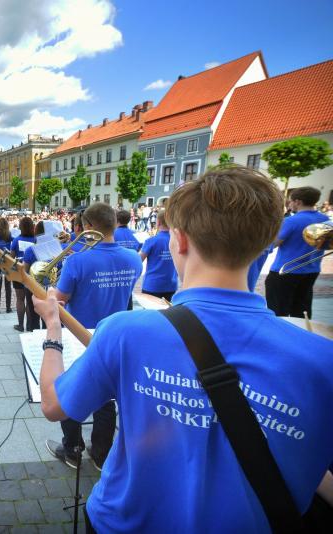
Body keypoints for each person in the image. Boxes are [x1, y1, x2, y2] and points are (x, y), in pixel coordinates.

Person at [35, 167, 333, 532]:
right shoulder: (323, 361)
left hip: (126, 522)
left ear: (180, 240)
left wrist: (53, 327)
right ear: (266, 241)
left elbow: (53, 404)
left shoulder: (124, 333)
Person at [45, 202, 142, 470]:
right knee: (106, 400)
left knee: (72, 393)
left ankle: (72, 449)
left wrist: (52, 290)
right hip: (114, 336)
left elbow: (60, 301)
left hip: (79, 336)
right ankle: (101, 454)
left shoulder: (77, 260)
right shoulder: (133, 258)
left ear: (87, 226)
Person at [265, 186, 329, 318]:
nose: (289, 204)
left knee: (277, 311)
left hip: (284, 271)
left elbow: (272, 244)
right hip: (311, 270)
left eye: (290, 201)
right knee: (302, 310)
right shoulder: (325, 220)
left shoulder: (291, 221)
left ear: (298, 202)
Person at [140, 210, 178, 302]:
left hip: (152, 285)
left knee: (150, 315)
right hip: (171, 284)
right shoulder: (177, 240)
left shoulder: (151, 241)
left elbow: (139, 260)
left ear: (158, 222)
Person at [10, 216, 36, 332]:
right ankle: (30, 325)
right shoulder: (36, 239)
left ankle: (20, 325)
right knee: (30, 300)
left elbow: (12, 257)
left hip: (19, 271)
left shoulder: (16, 240)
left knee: (20, 299)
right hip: (32, 272)